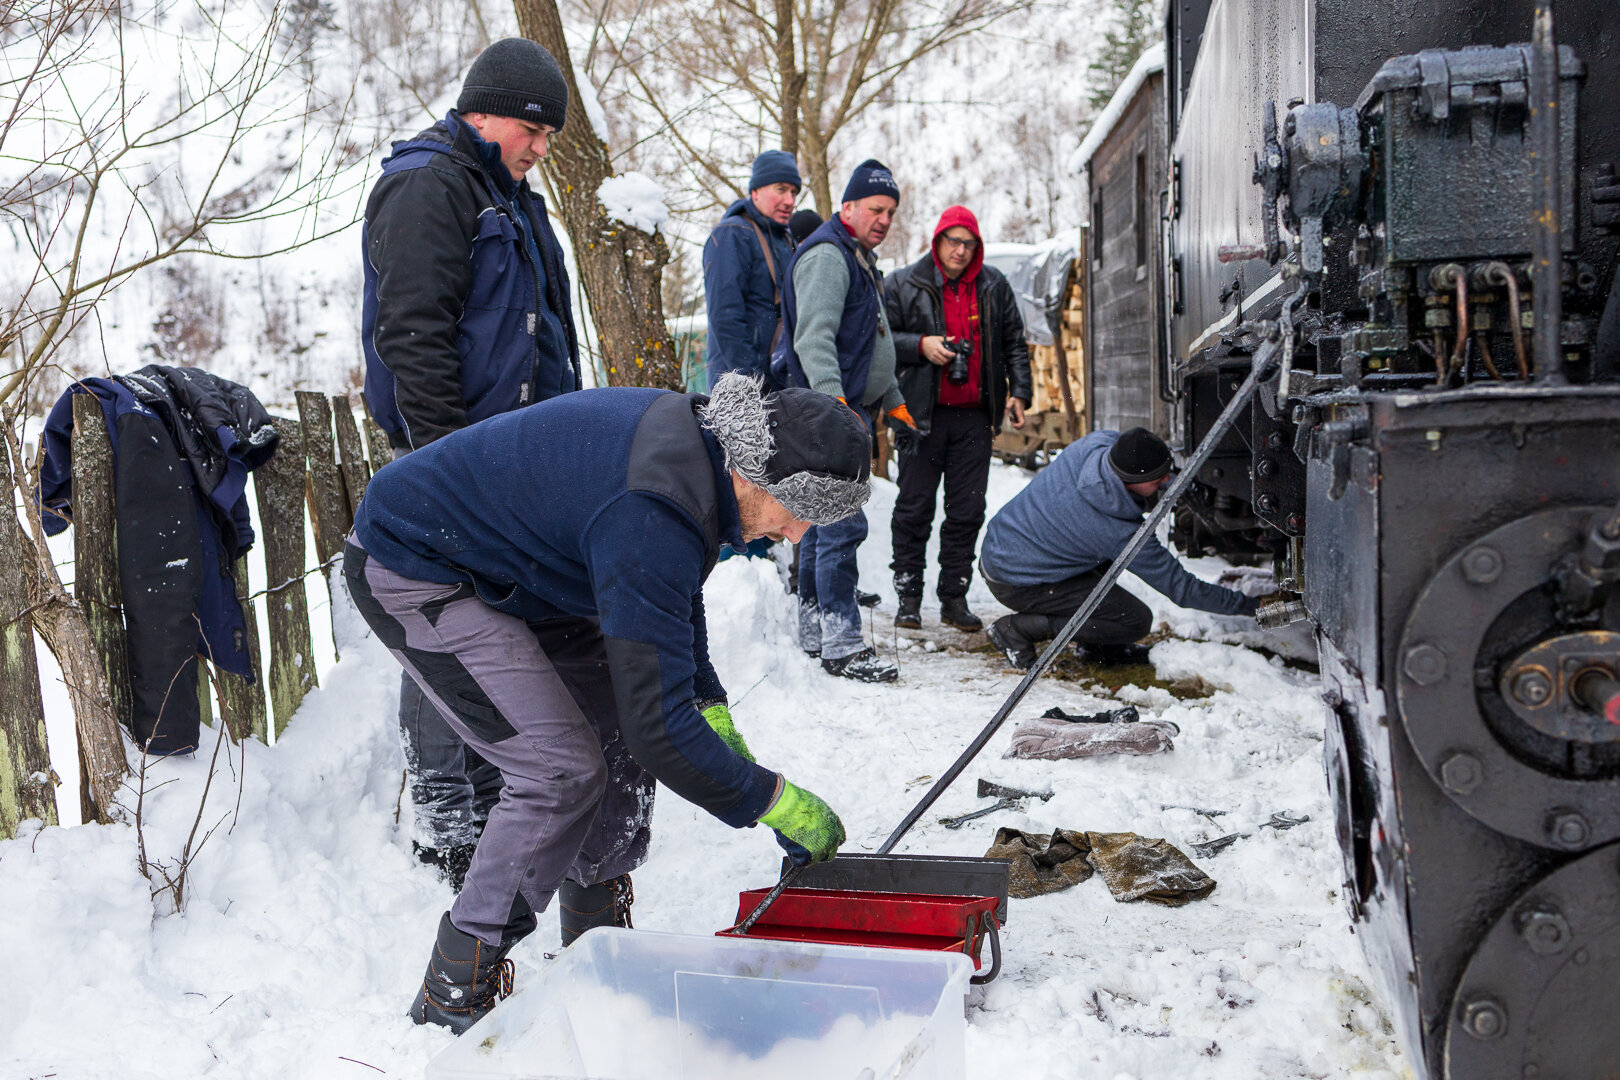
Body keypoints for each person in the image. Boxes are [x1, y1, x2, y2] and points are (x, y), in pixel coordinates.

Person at [344, 374, 863, 1033]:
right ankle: (455, 988)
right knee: (557, 768)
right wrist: (772, 799)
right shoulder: (654, 503)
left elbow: (669, 604)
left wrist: (709, 706)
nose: (797, 534)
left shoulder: (701, 458)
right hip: (419, 566)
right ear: (754, 478)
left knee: (618, 731)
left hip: (529, 573)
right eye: (799, 511)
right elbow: (662, 729)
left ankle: (597, 946)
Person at [359, 38, 580, 889]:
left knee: (497, 627)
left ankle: (494, 795)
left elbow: (547, 328)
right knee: (444, 629)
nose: (542, 147)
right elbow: (412, 332)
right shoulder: (430, 184)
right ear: (486, 108)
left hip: (516, 457)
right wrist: (444, 461)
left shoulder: (512, 196)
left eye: (551, 134)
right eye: (534, 128)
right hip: (455, 460)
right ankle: (446, 813)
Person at [771, 159, 918, 683]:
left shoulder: (856, 255)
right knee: (841, 522)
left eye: (891, 212)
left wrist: (893, 397)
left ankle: (815, 629)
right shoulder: (830, 256)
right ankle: (843, 642)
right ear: (848, 206)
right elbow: (814, 340)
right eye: (875, 209)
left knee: (818, 523)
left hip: (845, 409)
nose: (883, 219)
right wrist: (837, 412)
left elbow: (871, 338)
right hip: (829, 413)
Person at [978, 428, 1259, 669]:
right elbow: (1182, 589)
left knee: (1104, 577)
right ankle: (1016, 630)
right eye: (1156, 481)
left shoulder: (1099, 444)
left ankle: (1096, 644)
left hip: (1008, 544)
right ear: (1129, 483)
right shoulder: (1114, 529)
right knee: (1134, 621)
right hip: (1016, 581)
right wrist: (1253, 606)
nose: (1165, 481)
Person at [883, 205, 1033, 633]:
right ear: (938, 241)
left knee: (967, 510)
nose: (961, 251)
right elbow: (882, 342)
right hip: (917, 414)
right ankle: (908, 598)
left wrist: (1019, 391)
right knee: (913, 509)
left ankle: (954, 597)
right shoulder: (904, 282)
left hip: (973, 416)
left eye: (968, 244)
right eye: (953, 241)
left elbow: (1014, 343)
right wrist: (922, 345)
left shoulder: (993, 286)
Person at [703, 151, 801, 389]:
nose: (789, 200)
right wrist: (754, 382)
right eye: (781, 189)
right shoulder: (731, 235)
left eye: (794, 192)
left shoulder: (786, 239)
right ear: (755, 191)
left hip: (778, 384)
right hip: (739, 390)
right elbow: (725, 317)